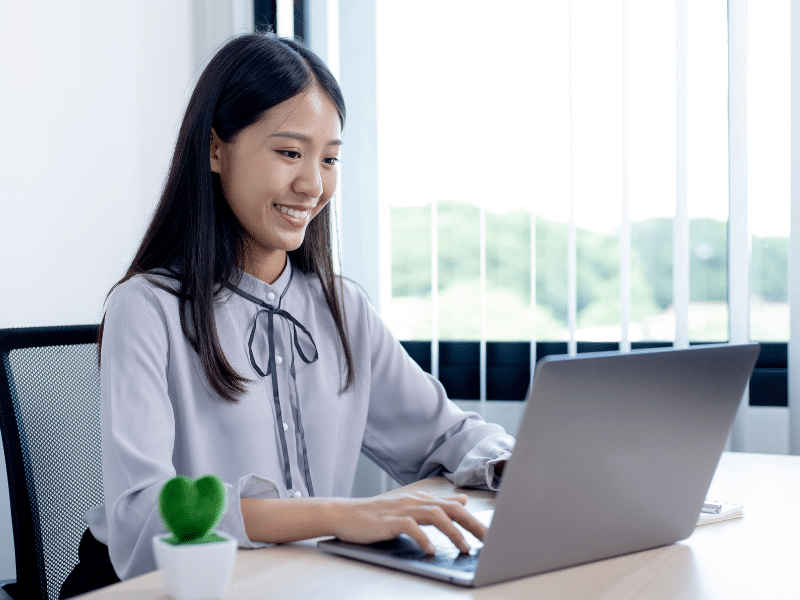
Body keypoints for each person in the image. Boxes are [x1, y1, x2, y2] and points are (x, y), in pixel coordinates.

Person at [60, 31, 514, 598]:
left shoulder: (342, 309)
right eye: (290, 153)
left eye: (330, 159)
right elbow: (143, 517)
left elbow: (445, 435)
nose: (313, 184)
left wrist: (519, 467)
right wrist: (336, 516)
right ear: (215, 149)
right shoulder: (145, 308)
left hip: (296, 581)